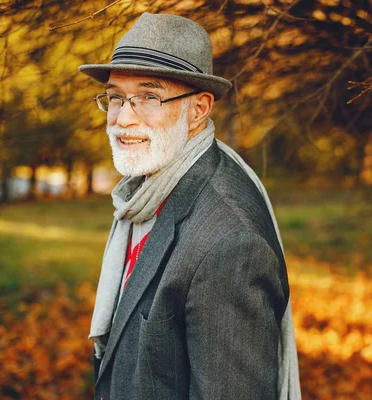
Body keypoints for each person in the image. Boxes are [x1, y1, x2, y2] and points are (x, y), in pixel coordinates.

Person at [78, 13, 301, 400]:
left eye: (149, 97)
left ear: (198, 110)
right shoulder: (148, 191)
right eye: (116, 98)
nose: (123, 119)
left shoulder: (228, 244)